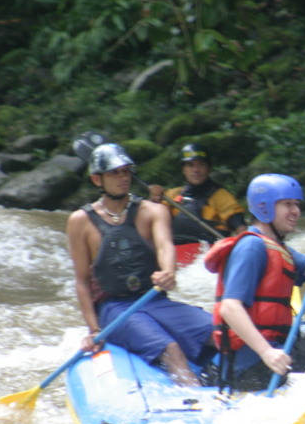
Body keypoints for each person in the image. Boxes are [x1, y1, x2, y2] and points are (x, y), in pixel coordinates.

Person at [66, 143, 215, 387]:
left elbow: (166, 246)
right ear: (97, 179)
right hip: (114, 308)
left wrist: (168, 271)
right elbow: (82, 282)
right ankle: (201, 404)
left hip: (155, 299)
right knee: (171, 349)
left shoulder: (153, 211)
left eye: (126, 171)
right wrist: (93, 330)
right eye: (115, 172)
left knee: (219, 333)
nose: (123, 177)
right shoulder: (80, 222)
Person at [203, 173, 305, 392]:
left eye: (296, 204)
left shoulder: (278, 249)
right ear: (264, 207)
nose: (296, 211)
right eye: (287, 204)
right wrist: (266, 352)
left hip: (271, 356)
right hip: (246, 368)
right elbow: (230, 307)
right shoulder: (252, 247)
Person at [148, 142, 247, 245]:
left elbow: (241, 228)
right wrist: (153, 199)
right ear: (183, 169)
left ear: (208, 168)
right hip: (176, 254)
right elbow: (150, 221)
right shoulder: (171, 195)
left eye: (201, 165)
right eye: (190, 165)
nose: (196, 170)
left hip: (208, 255)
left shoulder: (221, 197)